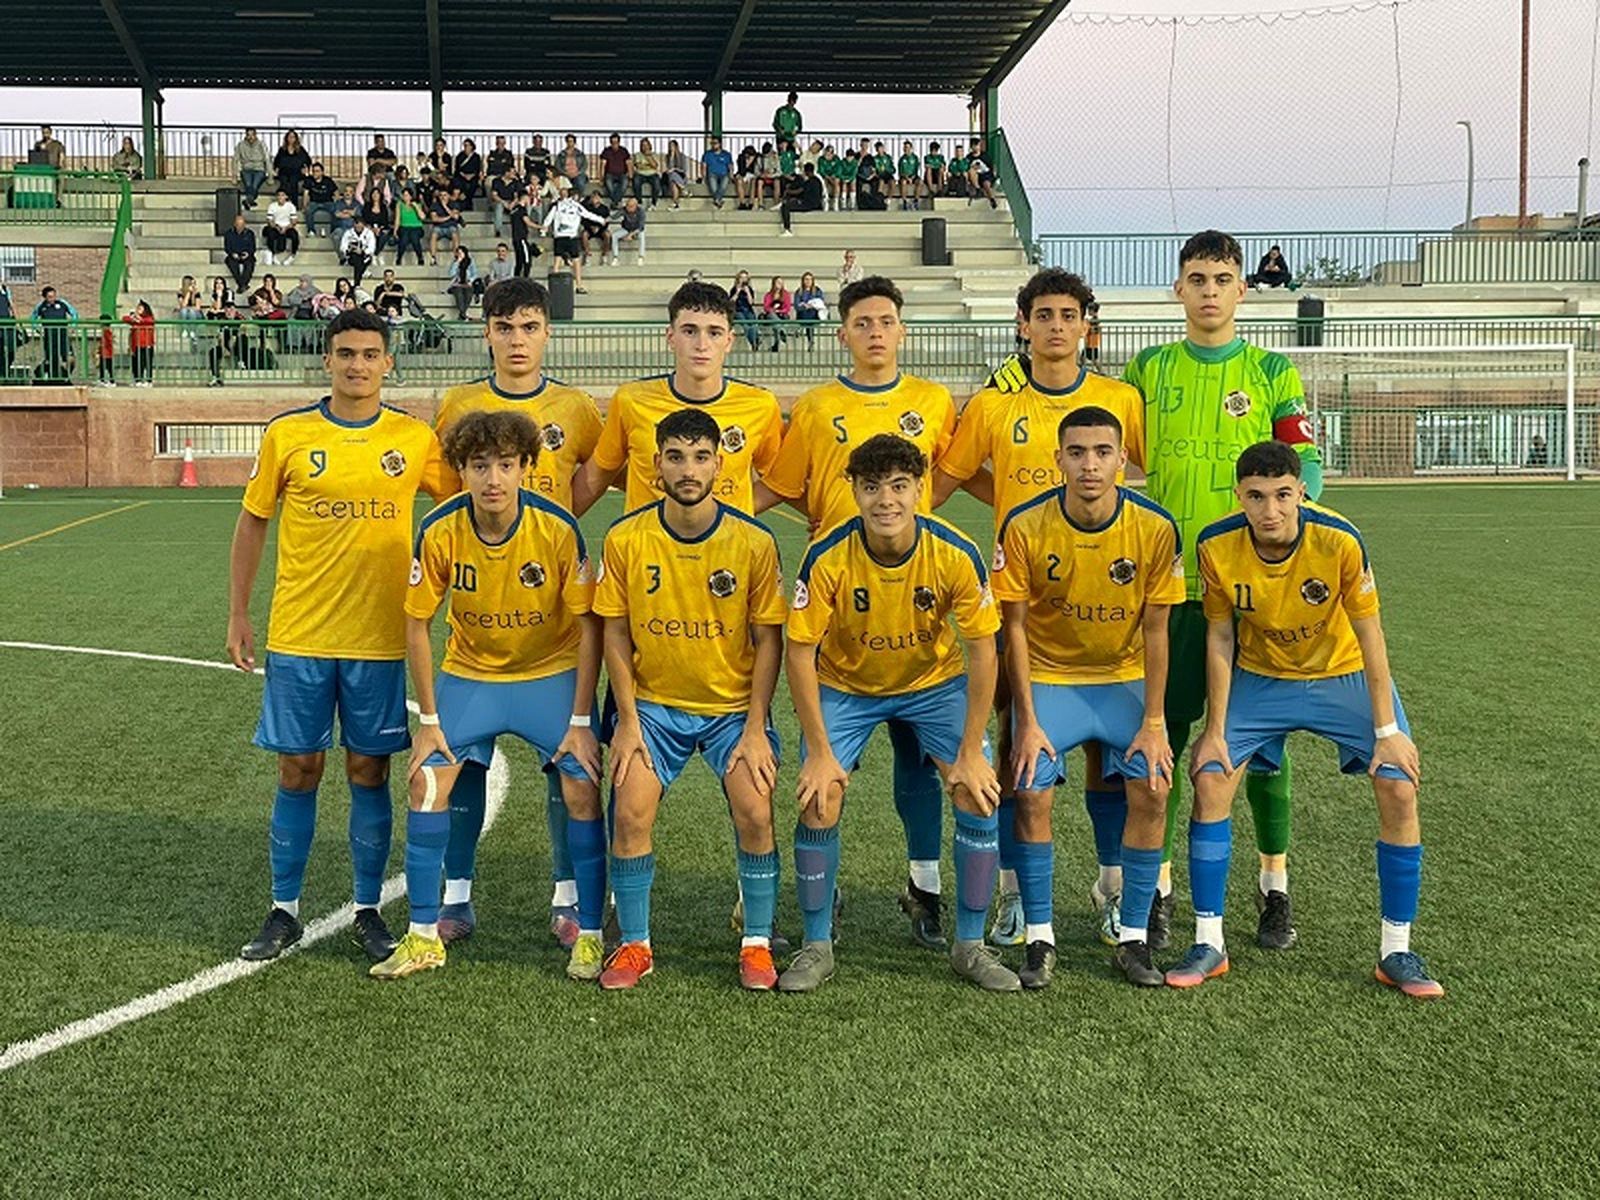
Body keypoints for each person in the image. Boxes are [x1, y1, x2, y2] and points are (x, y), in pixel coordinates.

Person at [1172, 440, 1442, 999]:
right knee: (1211, 778)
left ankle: (1397, 950)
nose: (1270, 510)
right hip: (1262, 677)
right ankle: (1208, 942)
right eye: (1256, 497)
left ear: (1300, 492)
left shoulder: (1339, 538)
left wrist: (1387, 734)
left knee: (1398, 786)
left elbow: (1370, 633)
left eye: (1282, 496)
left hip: (1340, 673)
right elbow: (1220, 635)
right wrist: (1216, 729)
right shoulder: (1216, 545)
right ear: (1239, 496)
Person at [228, 307, 456, 963]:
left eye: (370, 353)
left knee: (367, 769)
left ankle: (365, 909)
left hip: (380, 638)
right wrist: (239, 614)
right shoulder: (289, 434)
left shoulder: (414, 438)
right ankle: (284, 910)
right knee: (299, 768)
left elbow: (461, 505)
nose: (358, 364)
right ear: (326, 360)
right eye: (346, 353)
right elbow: (251, 524)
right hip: (299, 634)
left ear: (389, 363)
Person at [1121, 230, 1325, 952]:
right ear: (1178, 290)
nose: (1209, 289)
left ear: (1243, 290)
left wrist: (1283, 543)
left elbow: (1307, 469)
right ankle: (1160, 889)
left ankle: (1275, 887)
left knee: (1262, 746)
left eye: (1223, 277)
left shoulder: (1273, 370)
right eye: (1197, 277)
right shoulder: (1146, 368)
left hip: (1252, 591)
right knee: (1166, 737)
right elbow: (1121, 448)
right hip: (1171, 590)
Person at [935, 268, 1146, 949]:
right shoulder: (997, 407)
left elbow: (1148, 469)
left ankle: (1113, 885)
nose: (1057, 325)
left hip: (1106, 600)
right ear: (1023, 324)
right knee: (1017, 743)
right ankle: (1015, 894)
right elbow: (952, 472)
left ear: (1088, 326)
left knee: (1107, 755)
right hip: (1020, 602)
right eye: (1044, 314)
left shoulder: (1119, 399)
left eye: (1069, 314)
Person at [757, 276, 964, 944]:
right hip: (838, 605)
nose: (875, 332)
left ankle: (925, 889)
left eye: (886, 320)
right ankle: (827, 894)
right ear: (843, 333)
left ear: (902, 329)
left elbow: (957, 475)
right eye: (862, 322)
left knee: (923, 763)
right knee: (825, 777)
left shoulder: (932, 402)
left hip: (916, 605)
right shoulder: (817, 407)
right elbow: (784, 486)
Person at [370, 409, 605, 982]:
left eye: (506, 464)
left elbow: (590, 627)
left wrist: (579, 718)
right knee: (427, 779)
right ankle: (425, 934)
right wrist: (429, 719)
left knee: (582, 787)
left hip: (547, 675)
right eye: (480, 466)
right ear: (462, 470)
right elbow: (416, 625)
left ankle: (592, 932)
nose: (493, 478)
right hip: (471, 675)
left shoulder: (556, 528)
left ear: (527, 466)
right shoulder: (442, 528)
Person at [777, 434, 1014, 993]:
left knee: (977, 790)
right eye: (873, 487)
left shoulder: (955, 552)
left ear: (921, 491)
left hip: (933, 684)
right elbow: (800, 651)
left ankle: (971, 945)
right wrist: (817, 751)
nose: (887, 500)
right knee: (820, 795)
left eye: (900, 486)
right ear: (855, 492)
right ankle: (816, 945)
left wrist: (973, 749)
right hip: (848, 685)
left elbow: (983, 651)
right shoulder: (828, 554)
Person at [428, 277, 605, 944]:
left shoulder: (576, 408)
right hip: (478, 625)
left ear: (546, 332)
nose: (517, 340)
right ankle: (456, 899)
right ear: (487, 334)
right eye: (505, 328)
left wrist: (552, 529)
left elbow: (595, 473)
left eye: (529, 327)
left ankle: (566, 899)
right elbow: (454, 498)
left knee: (569, 764)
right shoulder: (459, 403)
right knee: (462, 763)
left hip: (554, 628)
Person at [591, 408, 786, 991]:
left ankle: (756, 942)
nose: (688, 468)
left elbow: (767, 639)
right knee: (629, 809)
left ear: (719, 464)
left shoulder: (753, 541)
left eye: (701, 456)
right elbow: (615, 632)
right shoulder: (626, 538)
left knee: (755, 807)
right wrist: (626, 722)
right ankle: (634, 945)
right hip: (652, 705)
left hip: (731, 709)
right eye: (675, 456)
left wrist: (755, 727)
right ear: (655, 466)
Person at [996, 406, 1183, 988]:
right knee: (1028, 788)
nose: (1090, 465)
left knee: (1151, 784)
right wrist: (1025, 721)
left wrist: (1155, 721)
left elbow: (1157, 631)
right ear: (1058, 461)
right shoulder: (1025, 525)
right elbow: (1016, 628)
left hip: (1122, 677)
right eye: (1076, 453)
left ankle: (1132, 938)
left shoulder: (1154, 527)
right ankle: (1040, 937)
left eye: (1102, 453)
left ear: (1122, 460)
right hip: (1052, 677)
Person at [572, 280, 783, 519]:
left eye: (714, 333)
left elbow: (782, 480)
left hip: (726, 552)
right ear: (671, 337)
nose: (702, 345)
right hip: (646, 550)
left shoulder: (760, 405)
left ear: (729, 341)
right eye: (690, 331)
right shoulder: (631, 400)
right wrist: (553, 528)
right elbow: (599, 472)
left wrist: (731, 513)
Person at [541, 186, 606, 294]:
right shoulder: (568, 206)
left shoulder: (564, 205)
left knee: (561, 261)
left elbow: (549, 218)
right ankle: (575, 286)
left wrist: (544, 229)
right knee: (569, 261)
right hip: (566, 237)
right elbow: (587, 215)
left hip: (564, 237)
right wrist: (600, 220)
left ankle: (562, 286)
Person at [779, 161, 823, 237]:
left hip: (808, 204)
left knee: (785, 206)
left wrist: (788, 191)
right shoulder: (818, 181)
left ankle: (787, 229)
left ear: (806, 171)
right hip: (817, 204)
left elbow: (799, 191)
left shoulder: (809, 182)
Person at [262, 189, 300, 267]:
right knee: (270, 234)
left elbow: (294, 221)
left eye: (282, 195)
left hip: (287, 227)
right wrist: (277, 227)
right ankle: (273, 254)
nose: (280, 197)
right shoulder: (272, 206)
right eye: (279, 195)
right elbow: (269, 220)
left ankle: (292, 256)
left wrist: (286, 228)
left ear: (286, 197)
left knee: (295, 236)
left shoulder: (291, 206)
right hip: (276, 227)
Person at [235, 127, 270, 209]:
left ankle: (248, 200)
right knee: (248, 184)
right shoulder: (240, 145)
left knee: (254, 185)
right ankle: (250, 201)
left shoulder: (261, 144)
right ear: (246, 135)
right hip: (246, 169)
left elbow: (267, 159)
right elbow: (235, 159)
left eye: (252, 135)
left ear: (255, 135)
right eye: (248, 135)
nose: (250, 137)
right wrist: (234, 175)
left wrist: (270, 176)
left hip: (259, 169)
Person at [273, 131, 311, 207]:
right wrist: (276, 169)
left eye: (293, 137)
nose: (291, 139)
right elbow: (276, 162)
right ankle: (284, 203)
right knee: (284, 181)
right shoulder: (282, 150)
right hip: (284, 172)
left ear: (296, 139)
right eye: (289, 137)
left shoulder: (300, 149)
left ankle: (294, 204)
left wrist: (305, 168)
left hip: (296, 172)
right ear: (286, 138)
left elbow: (308, 160)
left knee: (293, 181)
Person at [427, 187, 463, 265]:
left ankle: (456, 257)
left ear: (449, 196)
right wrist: (449, 217)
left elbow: (456, 217)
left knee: (455, 234)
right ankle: (433, 257)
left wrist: (445, 206)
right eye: (441, 195)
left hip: (451, 227)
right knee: (433, 234)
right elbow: (434, 219)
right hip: (439, 227)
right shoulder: (435, 205)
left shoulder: (454, 204)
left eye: (445, 195)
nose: (443, 197)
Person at [223, 212, 257, 291]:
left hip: (246, 255)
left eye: (241, 224)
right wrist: (232, 253)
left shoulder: (250, 233)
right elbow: (227, 247)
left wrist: (247, 253)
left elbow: (253, 247)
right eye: (238, 224)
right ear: (234, 224)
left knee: (250, 264)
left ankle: (242, 285)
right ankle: (243, 284)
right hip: (233, 255)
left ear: (244, 224)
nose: (240, 227)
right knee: (231, 263)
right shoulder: (229, 233)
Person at [579, 189, 613, 267]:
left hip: (601, 229)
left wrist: (599, 228)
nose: (595, 199)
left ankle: (604, 256)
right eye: (593, 197)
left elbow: (607, 221)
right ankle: (587, 255)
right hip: (589, 229)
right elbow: (583, 220)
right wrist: (590, 227)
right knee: (584, 235)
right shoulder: (587, 208)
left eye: (597, 197)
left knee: (607, 235)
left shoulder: (605, 208)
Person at [339, 218, 377, 287]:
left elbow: (372, 248)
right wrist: (349, 249)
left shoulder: (369, 233)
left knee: (359, 260)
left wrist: (362, 251)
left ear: (363, 225)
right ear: (354, 224)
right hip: (352, 256)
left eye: (360, 225)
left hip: (365, 257)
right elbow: (342, 247)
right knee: (356, 258)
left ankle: (356, 283)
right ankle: (358, 281)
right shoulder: (348, 233)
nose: (358, 227)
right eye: (356, 224)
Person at [394, 187, 427, 266]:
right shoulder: (399, 204)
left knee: (414, 237)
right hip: (404, 227)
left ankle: (420, 257)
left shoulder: (417, 204)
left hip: (416, 227)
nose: (405, 197)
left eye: (407, 195)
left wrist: (416, 206)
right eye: (404, 195)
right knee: (404, 239)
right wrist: (395, 230)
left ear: (411, 196)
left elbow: (422, 217)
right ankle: (399, 258)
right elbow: (397, 218)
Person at [446, 247, 480, 320]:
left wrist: (470, 280)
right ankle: (463, 314)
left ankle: (462, 314)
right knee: (459, 294)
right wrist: (457, 262)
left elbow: (475, 274)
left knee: (468, 294)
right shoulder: (455, 262)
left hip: (467, 284)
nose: (460, 255)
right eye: (458, 253)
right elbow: (451, 274)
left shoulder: (470, 262)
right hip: (457, 284)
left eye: (461, 253)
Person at [730, 269, 761, 352]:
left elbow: (751, 302)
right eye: (741, 278)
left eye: (745, 278)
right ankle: (753, 342)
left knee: (753, 325)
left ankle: (755, 341)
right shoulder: (734, 289)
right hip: (738, 310)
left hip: (748, 310)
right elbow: (732, 302)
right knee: (745, 325)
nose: (743, 280)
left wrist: (747, 292)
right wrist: (737, 291)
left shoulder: (749, 289)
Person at [793, 271, 825, 347]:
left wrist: (809, 305)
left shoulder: (817, 290)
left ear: (812, 281)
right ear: (803, 281)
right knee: (805, 315)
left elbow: (820, 301)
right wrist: (805, 306)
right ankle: (810, 340)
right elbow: (797, 305)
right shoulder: (799, 292)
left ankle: (801, 330)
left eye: (810, 279)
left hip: (814, 314)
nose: (808, 281)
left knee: (810, 317)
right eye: (806, 279)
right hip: (802, 314)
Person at [761, 275, 792, 351]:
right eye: (778, 282)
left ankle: (776, 345)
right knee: (772, 317)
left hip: (782, 315)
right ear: (774, 283)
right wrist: (773, 310)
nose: (780, 284)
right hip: (771, 315)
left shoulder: (786, 294)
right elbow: (766, 307)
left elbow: (787, 308)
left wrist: (779, 311)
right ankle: (782, 331)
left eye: (781, 282)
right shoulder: (769, 295)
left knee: (775, 325)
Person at [599, 133, 631, 208]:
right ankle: (617, 201)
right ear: (610, 142)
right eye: (612, 142)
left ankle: (614, 202)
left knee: (624, 183)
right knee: (608, 184)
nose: (614, 144)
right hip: (610, 174)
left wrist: (630, 177)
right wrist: (601, 178)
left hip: (622, 174)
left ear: (619, 142)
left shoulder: (624, 151)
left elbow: (629, 164)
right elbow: (602, 165)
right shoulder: (606, 151)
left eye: (616, 142)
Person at [491, 164, 522, 239]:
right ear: (506, 173)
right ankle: (498, 230)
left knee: (519, 207)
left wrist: (512, 203)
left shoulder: (515, 182)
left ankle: (518, 231)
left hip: (511, 202)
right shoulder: (496, 181)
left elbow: (516, 196)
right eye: (512, 172)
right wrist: (503, 202)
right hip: (500, 201)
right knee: (499, 207)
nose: (514, 174)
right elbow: (494, 195)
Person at [966, 138, 999, 209]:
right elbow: (967, 168)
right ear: (971, 147)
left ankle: (992, 199)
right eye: (974, 146)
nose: (976, 147)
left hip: (985, 174)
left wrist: (994, 175)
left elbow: (992, 166)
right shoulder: (969, 157)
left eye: (977, 145)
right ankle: (978, 189)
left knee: (986, 184)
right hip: (975, 176)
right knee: (971, 170)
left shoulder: (984, 155)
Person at [701, 136, 732, 209]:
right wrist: (703, 177)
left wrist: (731, 175)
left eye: (715, 143)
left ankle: (717, 200)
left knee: (723, 186)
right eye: (712, 143)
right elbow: (704, 166)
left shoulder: (726, 154)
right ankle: (718, 200)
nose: (713, 145)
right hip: (712, 174)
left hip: (724, 174)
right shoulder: (707, 154)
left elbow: (730, 166)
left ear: (720, 144)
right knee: (713, 187)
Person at [452, 138, 484, 205]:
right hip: (462, 175)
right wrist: (464, 175)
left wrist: (472, 175)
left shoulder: (476, 156)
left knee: (473, 184)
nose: (466, 147)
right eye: (465, 145)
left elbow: (478, 168)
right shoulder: (460, 156)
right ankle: (467, 202)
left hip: (473, 176)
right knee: (460, 183)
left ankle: (467, 200)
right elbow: (457, 168)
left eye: (468, 145)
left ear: (472, 146)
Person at [631, 137, 661, 207]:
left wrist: (648, 157)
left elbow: (655, 166)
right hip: (640, 174)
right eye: (643, 145)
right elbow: (639, 166)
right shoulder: (638, 154)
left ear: (649, 145)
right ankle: (639, 201)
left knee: (657, 183)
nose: (645, 147)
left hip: (652, 174)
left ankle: (654, 203)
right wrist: (649, 165)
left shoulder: (654, 154)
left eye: (646, 145)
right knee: (636, 181)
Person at [617, 197, 646, 265]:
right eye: (627, 205)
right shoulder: (624, 209)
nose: (628, 208)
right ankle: (616, 257)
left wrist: (630, 235)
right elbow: (613, 217)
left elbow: (641, 227)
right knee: (614, 235)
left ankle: (640, 257)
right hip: (627, 229)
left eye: (631, 206)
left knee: (642, 236)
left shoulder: (641, 211)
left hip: (637, 230)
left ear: (635, 206)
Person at [662, 139, 690, 209]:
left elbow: (684, 169)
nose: (671, 147)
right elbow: (668, 168)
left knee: (673, 175)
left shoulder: (682, 156)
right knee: (673, 182)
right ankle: (681, 192)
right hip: (672, 178)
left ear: (676, 146)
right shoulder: (667, 157)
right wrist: (671, 157)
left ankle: (675, 203)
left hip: (681, 176)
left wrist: (674, 169)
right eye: (670, 146)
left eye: (672, 146)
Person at [897, 141, 922, 210]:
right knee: (903, 182)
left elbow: (916, 169)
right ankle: (904, 201)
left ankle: (916, 201)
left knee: (920, 182)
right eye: (905, 147)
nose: (906, 149)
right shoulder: (902, 159)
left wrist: (912, 177)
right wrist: (907, 178)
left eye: (907, 147)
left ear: (911, 148)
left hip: (913, 176)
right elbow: (901, 171)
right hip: (905, 177)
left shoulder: (915, 158)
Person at [734, 144, 760, 210]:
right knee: (739, 181)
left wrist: (752, 160)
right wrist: (748, 163)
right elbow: (742, 172)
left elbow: (755, 171)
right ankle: (742, 203)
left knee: (753, 181)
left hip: (751, 175)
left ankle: (751, 202)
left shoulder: (756, 158)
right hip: (743, 174)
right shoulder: (741, 158)